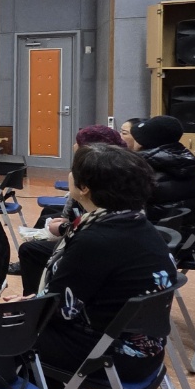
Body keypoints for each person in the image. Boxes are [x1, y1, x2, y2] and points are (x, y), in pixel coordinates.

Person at [3, 144, 174, 389]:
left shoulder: (97, 238)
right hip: (143, 350)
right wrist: (35, 302)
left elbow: (62, 310)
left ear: (84, 188)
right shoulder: (137, 225)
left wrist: (25, 308)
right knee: (19, 325)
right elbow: (80, 296)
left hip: (112, 357)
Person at [15, 125, 126, 293]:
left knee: (30, 250)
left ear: (84, 187)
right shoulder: (124, 212)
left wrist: (64, 228)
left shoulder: (89, 240)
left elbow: (64, 297)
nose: (74, 146)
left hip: (93, 303)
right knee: (47, 216)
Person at [126, 116, 195, 226]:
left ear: (143, 142)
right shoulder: (186, 162)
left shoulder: (141, 169)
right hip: (188, 230)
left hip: (156, 231)